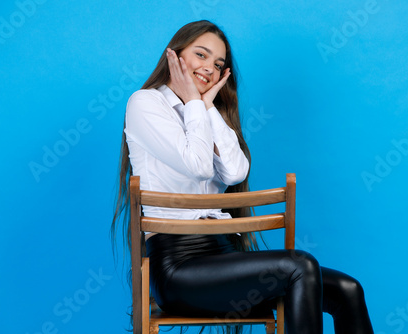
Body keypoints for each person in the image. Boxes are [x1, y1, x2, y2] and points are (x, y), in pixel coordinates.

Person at [112, 20, 374, 334]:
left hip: (225, 256)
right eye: (201, 55)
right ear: (175, 55)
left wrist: (207, 107)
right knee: (300, 266)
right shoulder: (145, 103)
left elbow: (236, 171)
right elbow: (198, 165)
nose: (209, 67)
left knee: (348, 289)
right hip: (181, 270)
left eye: (218, 64)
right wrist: (196, 103)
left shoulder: (207, 112)